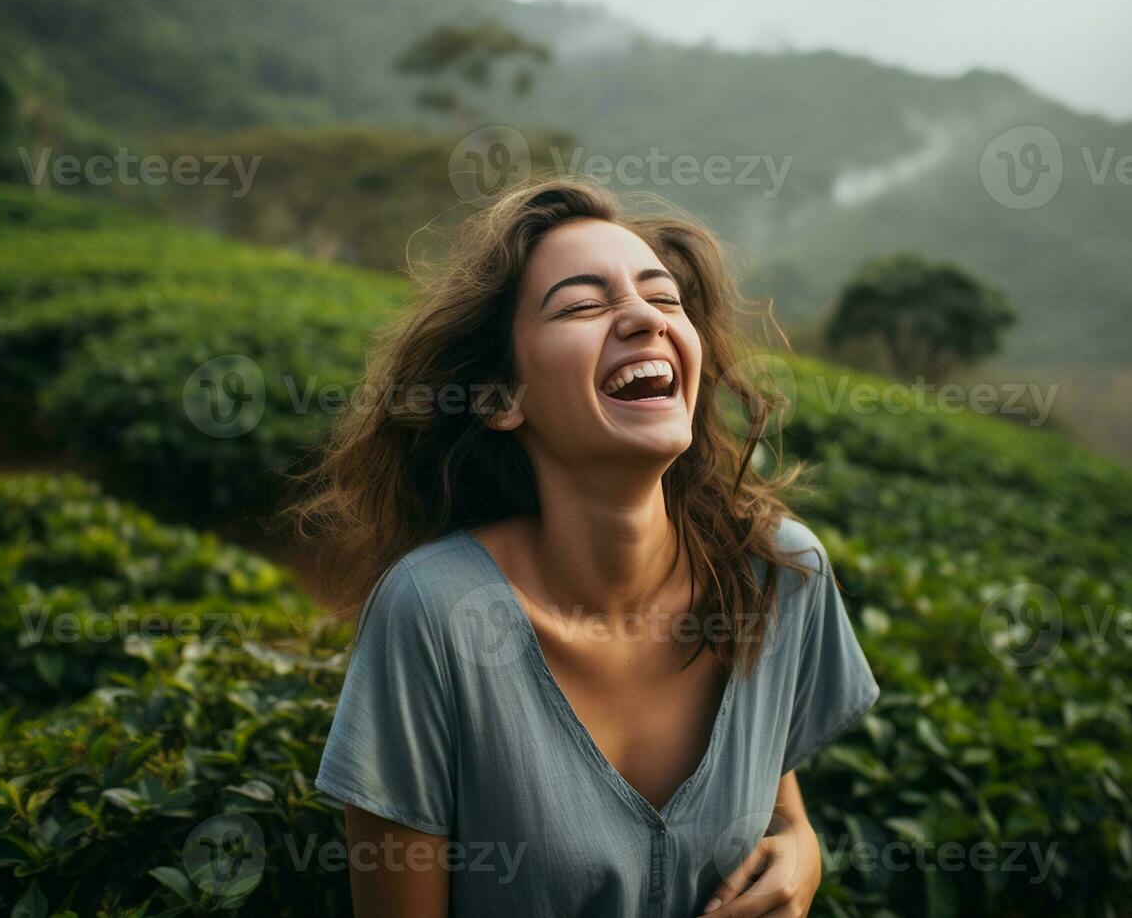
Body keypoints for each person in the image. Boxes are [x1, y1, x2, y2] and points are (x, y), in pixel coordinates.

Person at [288, 175, 879, 917]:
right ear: (502, 398)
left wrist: (802, 846)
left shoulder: (780, 573)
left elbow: (774, 790)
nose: (643, 318)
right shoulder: (435, 614)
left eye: (664, 298)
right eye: (582, 305)